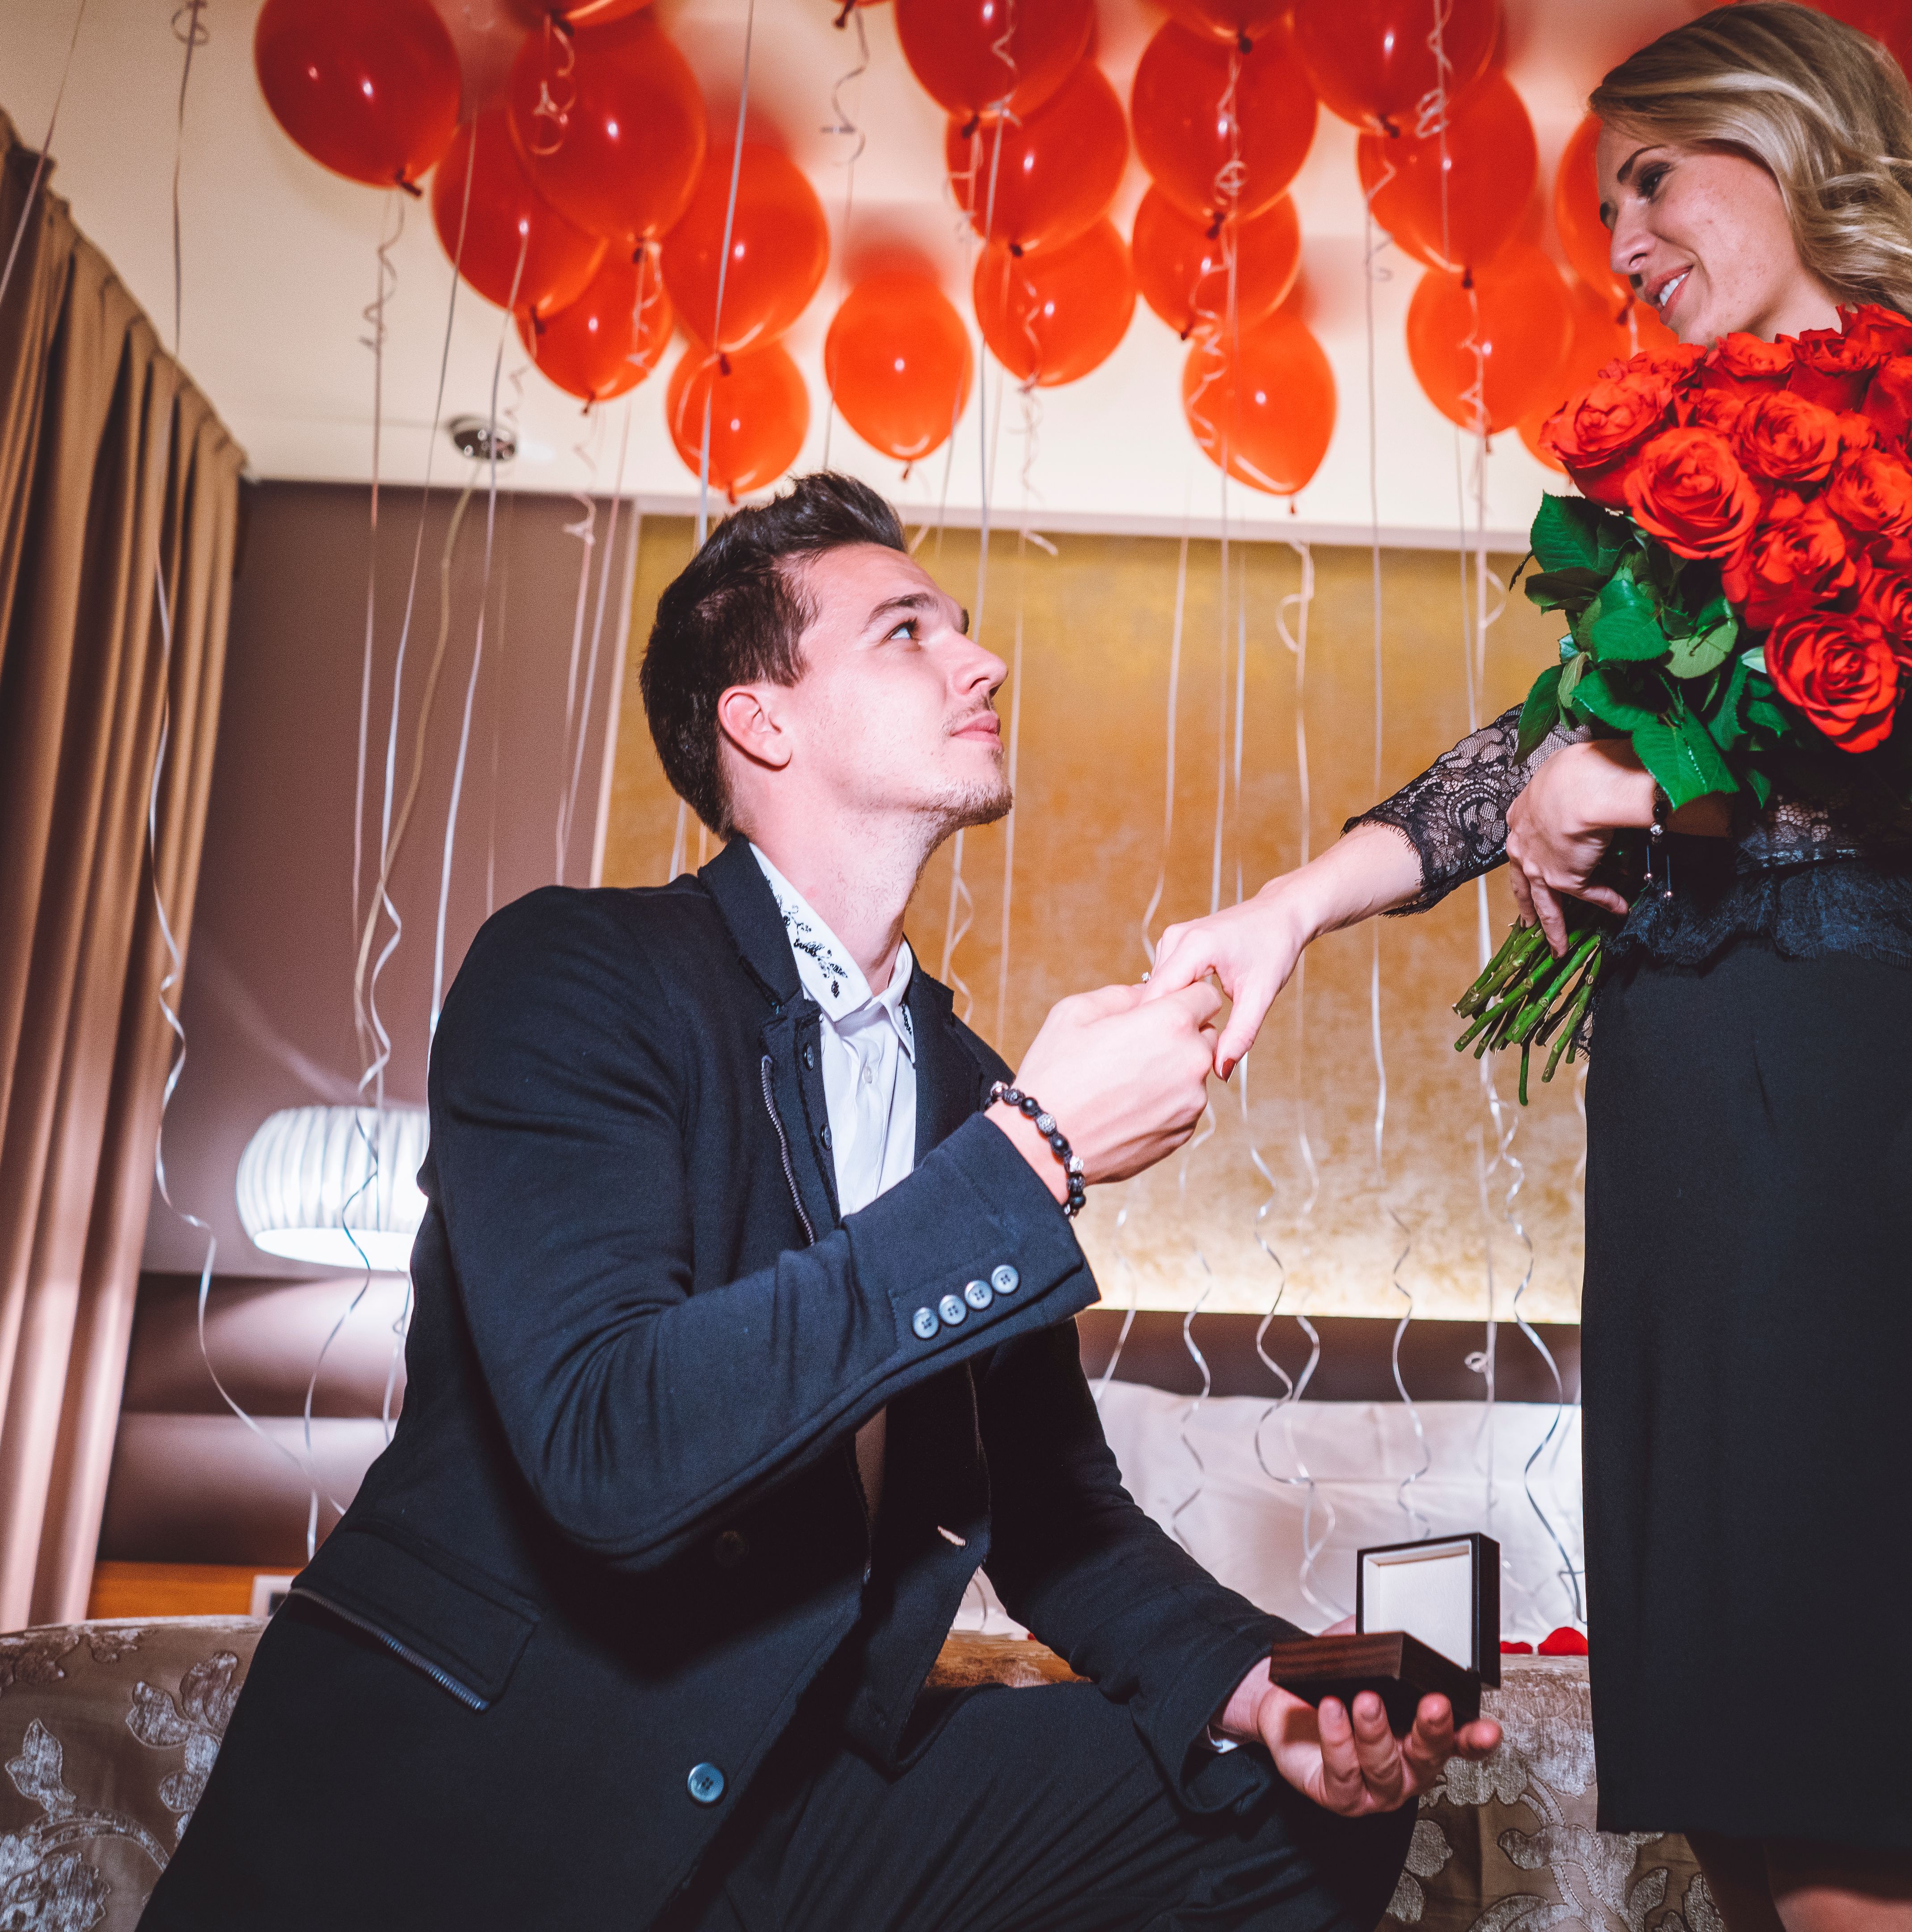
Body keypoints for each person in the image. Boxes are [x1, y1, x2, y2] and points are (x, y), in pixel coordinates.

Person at [1149, 8, 1912, 1931]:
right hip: (1704, 1116)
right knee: (1733, 1791)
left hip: (1858, 1103)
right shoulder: (1694, 457)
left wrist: (1643, 771)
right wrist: (1288, 904)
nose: (1620, 238)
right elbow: (1533, 745)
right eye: (1604, 197)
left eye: (1653, 179)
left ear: (1791, 135)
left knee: (1854, 1803)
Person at [144, 473, 1498, 1932]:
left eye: (962, 630)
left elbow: (1056, 1517)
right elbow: (612, 1440)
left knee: (1288, 1816)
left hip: (800, 1806)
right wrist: (1033, 1153)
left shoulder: (963, 1079)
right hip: (488, 1796)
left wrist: (1266, 1691)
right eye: (908, 631)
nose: (981, 662)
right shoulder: (572, 975)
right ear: (762, 721)